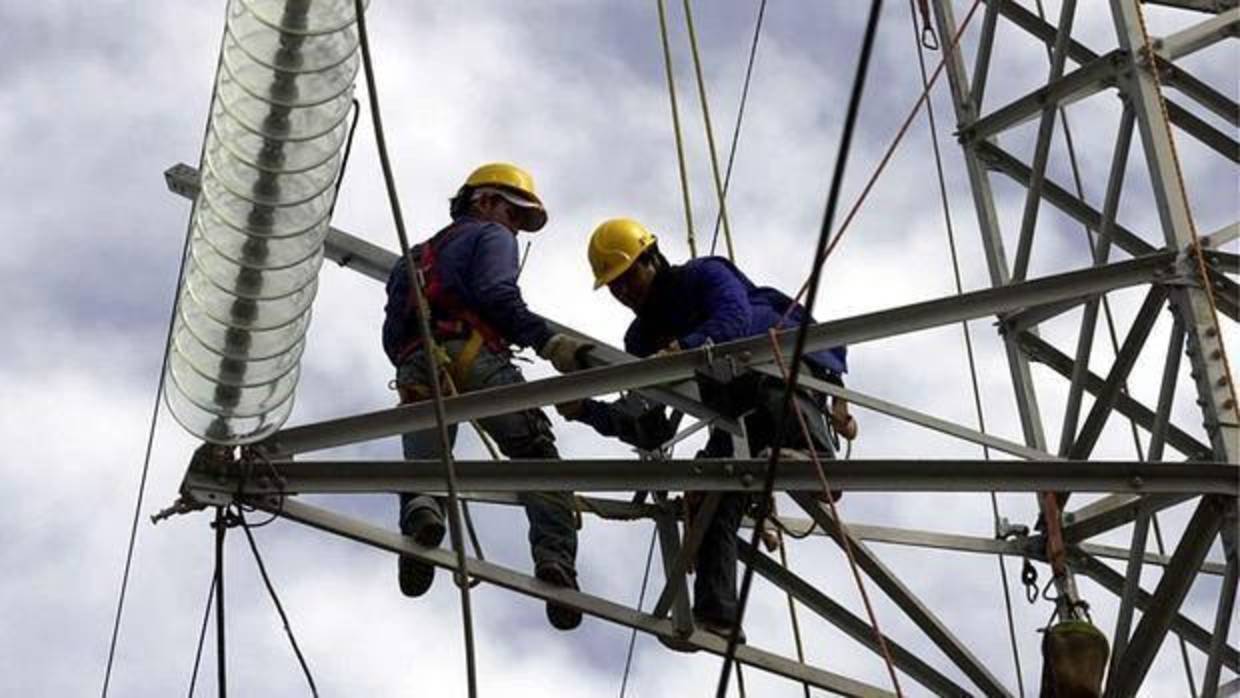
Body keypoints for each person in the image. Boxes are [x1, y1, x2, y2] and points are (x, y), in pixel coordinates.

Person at [557, 217, 856, 641]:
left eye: (628, 278)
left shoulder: (704, 274)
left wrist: (682, 350)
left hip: (777, 365)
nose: (624, 293)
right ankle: (718, 614)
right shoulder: (641, 338)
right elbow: (651, 426)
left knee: (772, 377)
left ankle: (815, 460)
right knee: (712, 492)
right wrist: (586, 410)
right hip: (734, 413)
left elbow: (733, 320)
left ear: (652, 259)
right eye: (615, 287)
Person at [382, 163, 590, 630]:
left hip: (417, 363)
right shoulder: (492, 237)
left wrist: (417, 357)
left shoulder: (412, 258)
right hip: (474, 354)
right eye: (513, 212)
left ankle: (419, 517)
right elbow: (497, 295)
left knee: (424, 464)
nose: (514, 225)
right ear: (485, 201)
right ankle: (556, 560)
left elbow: (392, 329)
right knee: (536, 453)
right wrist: (546, 342)